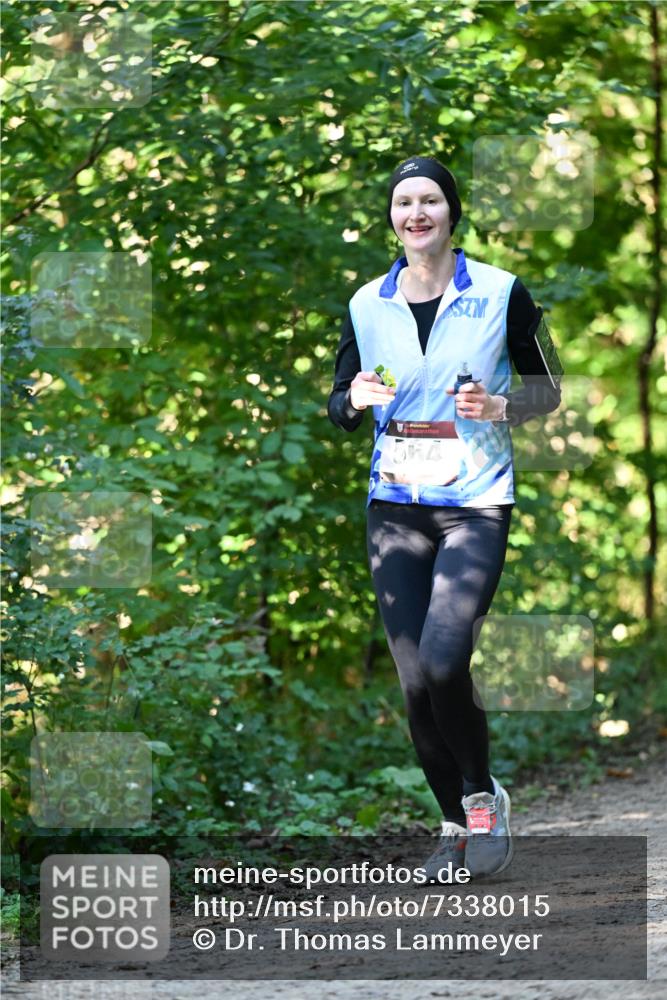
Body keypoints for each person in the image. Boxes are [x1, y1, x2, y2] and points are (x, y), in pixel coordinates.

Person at [327, 155, 562, 880]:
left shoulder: (500, 291)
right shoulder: (366, 303)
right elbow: (338, 402)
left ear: (451, 213)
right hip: (395, 510)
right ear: (392, 218)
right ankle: (455, 824)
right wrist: (353, 398)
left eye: (430, 199)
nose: (417, 213)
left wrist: (499, 405)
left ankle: (483, 798)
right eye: (404, 202)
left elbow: (549, 388)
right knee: (413, 682)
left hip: (474, 505)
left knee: (442, 659)